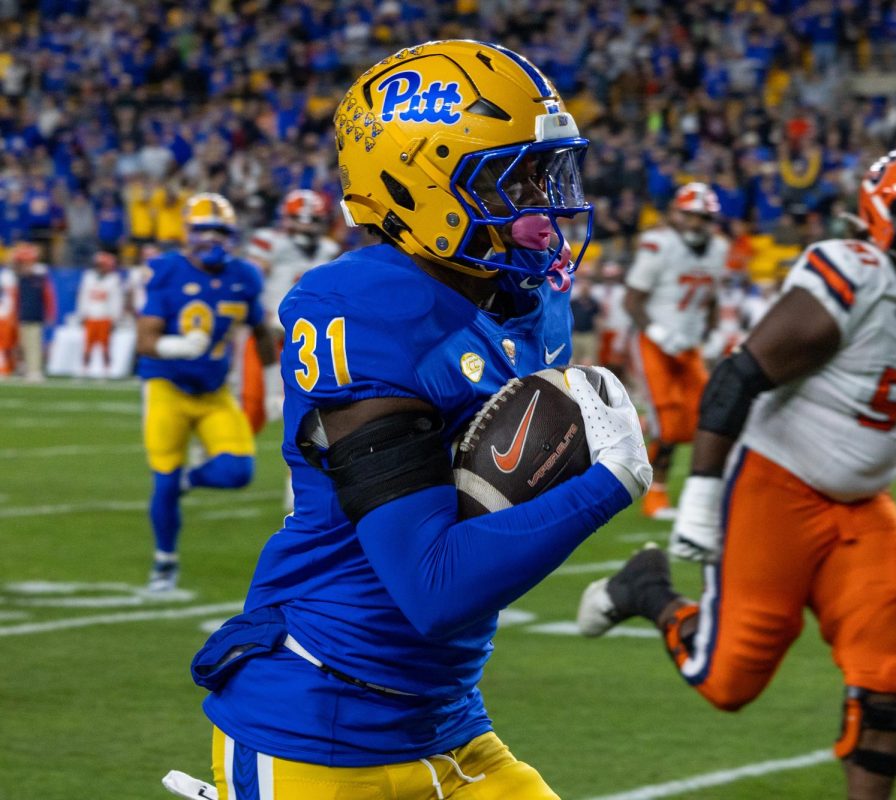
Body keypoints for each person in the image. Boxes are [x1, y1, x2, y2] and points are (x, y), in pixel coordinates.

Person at [182, 41, 650, 800]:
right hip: (316, 725)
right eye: (512, 177)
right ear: (418, 184)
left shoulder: (530, 298)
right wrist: (608, 483)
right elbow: (431, 586)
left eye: (544, 171)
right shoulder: (365, 306)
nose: (542, 202)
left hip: (447, 718)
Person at [579, 146, 896, 800]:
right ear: (882, 213)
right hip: (778, 485)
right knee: (727, 680)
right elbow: (736, 379)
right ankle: (647, 589)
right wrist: (703, 499)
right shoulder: (852, 275)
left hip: (862, 506)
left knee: (887, 674)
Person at [135, 193, 276, 593]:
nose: (212, 239)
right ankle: (165, 562)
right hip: (167, 385)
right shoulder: (165, 271)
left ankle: (189, 480)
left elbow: (261, 332)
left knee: (238, 472)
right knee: (162, 481)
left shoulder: (245, 275)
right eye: (203, 230)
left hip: (215, 390)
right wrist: (176, 346)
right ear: (186, 233)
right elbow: (145, 340)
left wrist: (269, 388)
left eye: (220, 231)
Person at [625, 182, 729, 519]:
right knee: (668, 425)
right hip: (654, 344)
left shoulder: (718, 250)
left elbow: (711, 298)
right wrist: (656, 330)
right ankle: (655, 497)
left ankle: (702, 498)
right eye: (691, 216)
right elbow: (633, 300)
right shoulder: (659, 245)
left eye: (703, 217)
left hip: (689, 347)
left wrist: (713, 335)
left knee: (708, 419)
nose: (697, 224)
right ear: (676, 214)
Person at [243, 189, 342, 431]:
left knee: (314, 409)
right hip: (268, 337)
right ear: (285, 219)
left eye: (314, 221)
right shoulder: (268, 241)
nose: (306, 227)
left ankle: (300, 469)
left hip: (310, 341)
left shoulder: (329, 250)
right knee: (253, 407)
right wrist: (265, 316)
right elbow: (250, 284)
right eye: (298, 219)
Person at [75, 249, 128, 377]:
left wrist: (115, 318)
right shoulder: (88, 277)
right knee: (87, 345)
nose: (100, 268)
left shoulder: (113, 279)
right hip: (91, 316)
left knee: (105, 346)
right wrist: (82, 314)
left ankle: (106, 369)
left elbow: (116, 301)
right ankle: (84, 368)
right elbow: (83, 297)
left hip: (105, 316)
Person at [12, 241, 56, 382]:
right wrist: (15, 314)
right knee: (24, 345)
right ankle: (26, 369)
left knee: (35, 345)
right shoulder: (21, 279)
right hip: (23, 315)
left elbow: (48, 296)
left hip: (36, 315)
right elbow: (16, 298)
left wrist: (50, 313)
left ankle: (35, 370)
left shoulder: (40, 278)